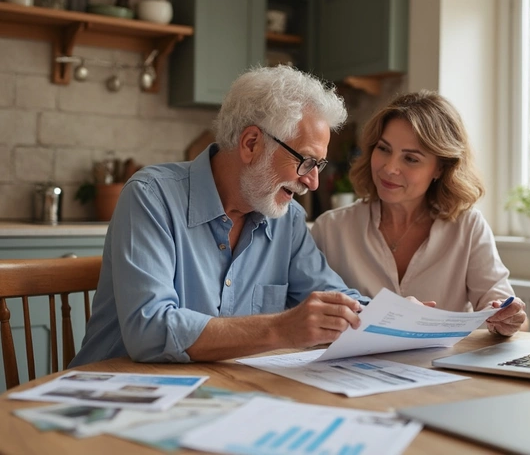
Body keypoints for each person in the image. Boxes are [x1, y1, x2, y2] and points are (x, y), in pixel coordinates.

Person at [70, 65, 370, 367]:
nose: (312, 181)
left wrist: (400, 316)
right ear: (251, 143)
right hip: (116, 394)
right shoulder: (151, 196)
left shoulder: (287, 219)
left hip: (219, 395)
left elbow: (336, 299)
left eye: (319, 165)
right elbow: (150, 331)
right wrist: (282, 329)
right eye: (306, 161)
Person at [311, 90, 527, 336]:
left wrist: (507, 319)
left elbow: (505, 308)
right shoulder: (330, 229)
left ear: (440, 168)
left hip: (443, 370)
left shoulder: (467, 226)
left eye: (411, 159)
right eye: (383, 149)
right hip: (350, 371)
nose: (390, 168)